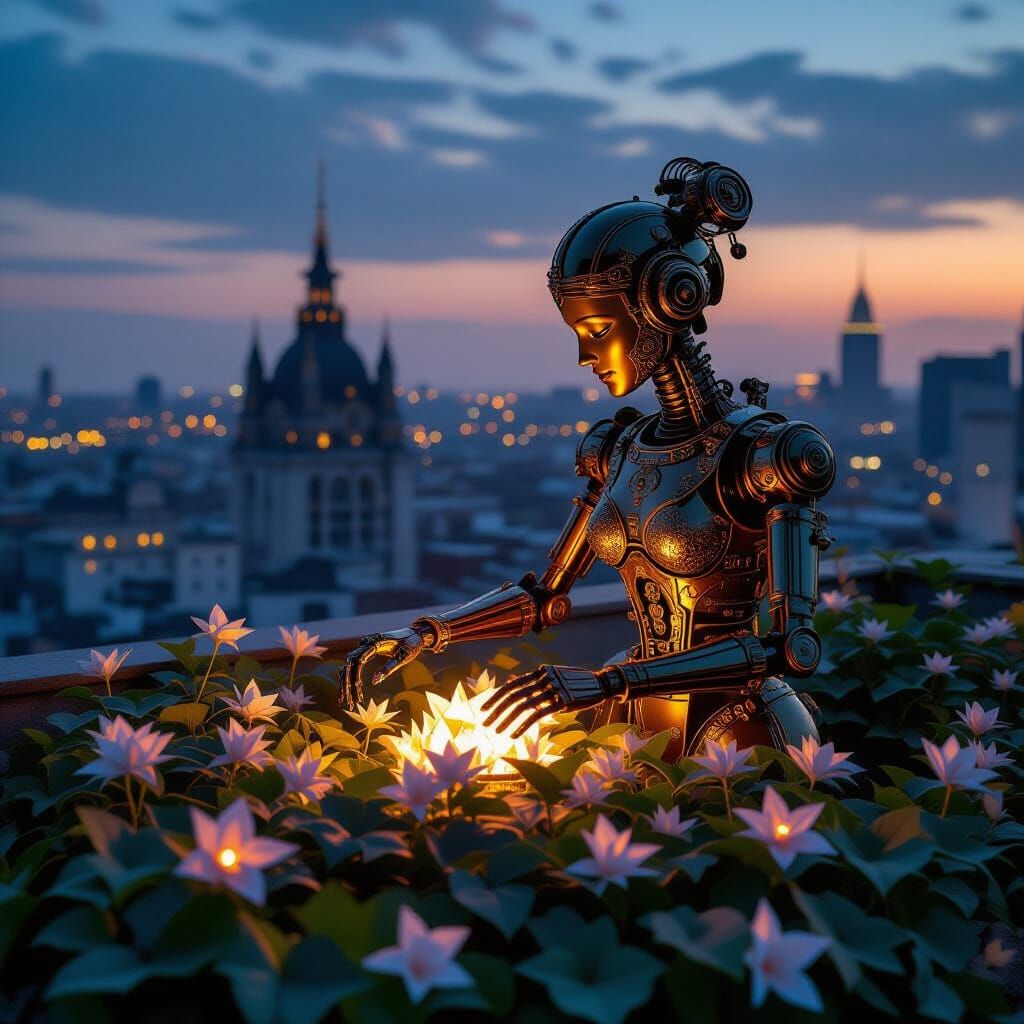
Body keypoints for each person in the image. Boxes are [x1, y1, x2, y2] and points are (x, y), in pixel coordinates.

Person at [342, 156, 835, 762]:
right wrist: (426, 634)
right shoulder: (620, 449)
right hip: (631, 720)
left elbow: (789, 647)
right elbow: (544, 596)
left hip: (743, 734)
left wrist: (607, 683)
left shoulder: (768, 455)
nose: (584, 355)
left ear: (667, 303)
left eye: (597, 328)